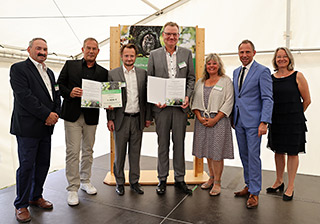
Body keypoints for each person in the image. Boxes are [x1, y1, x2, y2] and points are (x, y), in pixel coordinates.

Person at [10, 37, 61, 222]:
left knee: (42, 164)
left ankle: (35, 196)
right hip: (27, 128)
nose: (42, 52)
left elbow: (57, 95)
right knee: (26, 166)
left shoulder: (50, 73)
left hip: (47, 127)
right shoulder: (19, 69)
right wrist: (46, 114)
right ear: (29, 49)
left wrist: (56, 113)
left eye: (45, 49)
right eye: (39, 48)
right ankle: (21, 205)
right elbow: (25, 97)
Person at [57, 37, 108, 206]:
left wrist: (109, 102)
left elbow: (106, 95)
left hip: (91, 117)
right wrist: (69, 92)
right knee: (72, 152)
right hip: (72, 115)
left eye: (94, 49)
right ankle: (72, 188)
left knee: (88, 150)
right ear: (83, 49)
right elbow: (58, 86)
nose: (91, 51)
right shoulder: (70, 65)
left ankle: (85, 180)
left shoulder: (103, 72)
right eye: (88, 48)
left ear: (98, 51)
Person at [147, 21, 195, 195]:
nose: (171, 37)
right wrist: (155, 99)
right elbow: (150, 80)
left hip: (180, 108)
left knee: (179, 144)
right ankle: (162, 179)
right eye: (168, 34)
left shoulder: (187, 54)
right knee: (163, 145)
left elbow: (191, 78)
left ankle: (180, 179)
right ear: (163, 35)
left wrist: (188, 96)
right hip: (161, 108)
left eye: (174, 34)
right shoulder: (154, 54)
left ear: (178, 36)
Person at [266, 47, 311, 201]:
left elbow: (307, 100)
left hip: (293, 122)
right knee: (278, 151)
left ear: (289, 59)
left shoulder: (298, 76)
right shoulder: (271, 78)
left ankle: (290, 185)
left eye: (284, 56)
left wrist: (295, 114)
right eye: (278, 57)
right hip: (276, 120)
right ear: (275, 60)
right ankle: (279, 181)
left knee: (292, 153)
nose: (281, 59)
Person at [233, 40, 273, 208]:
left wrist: (264, 122)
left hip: (255, 122)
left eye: (247, 52)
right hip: (238, 121)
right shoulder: (236, 72)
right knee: (244, 155)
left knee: (253, 157)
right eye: (241, 52)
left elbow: (267, 98)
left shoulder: (263, 71)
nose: (244, 55)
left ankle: (255, 193)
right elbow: (238, 97)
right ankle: (249, 185)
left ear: (254, 53)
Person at [107, 44, 152, 196]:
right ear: (122, 57)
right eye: (126, 56)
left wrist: (147, 118)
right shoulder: (113, 74)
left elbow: (146, 99)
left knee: (135, 153)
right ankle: (120, 182)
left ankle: (134, 182)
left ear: (136, 57)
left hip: (137, 119)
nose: (129, 58)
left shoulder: (142, 74)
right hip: (121, 119)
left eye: (132, 56)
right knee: (119, 154)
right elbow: (109, 100)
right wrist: (110, 119)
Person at [191, 53, 234, 196]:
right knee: (207, 151)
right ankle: (211, 177)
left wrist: (215, 119)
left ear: (219, 65)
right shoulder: (200, 82)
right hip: (202, 120)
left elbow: (229, 101)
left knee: (217, 153)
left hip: (219, 121)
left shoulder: (226, 81)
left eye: (214, 63)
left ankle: (218, 182)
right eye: (209, 64)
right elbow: (194, 101)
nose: (211, 66)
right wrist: (199, 116)